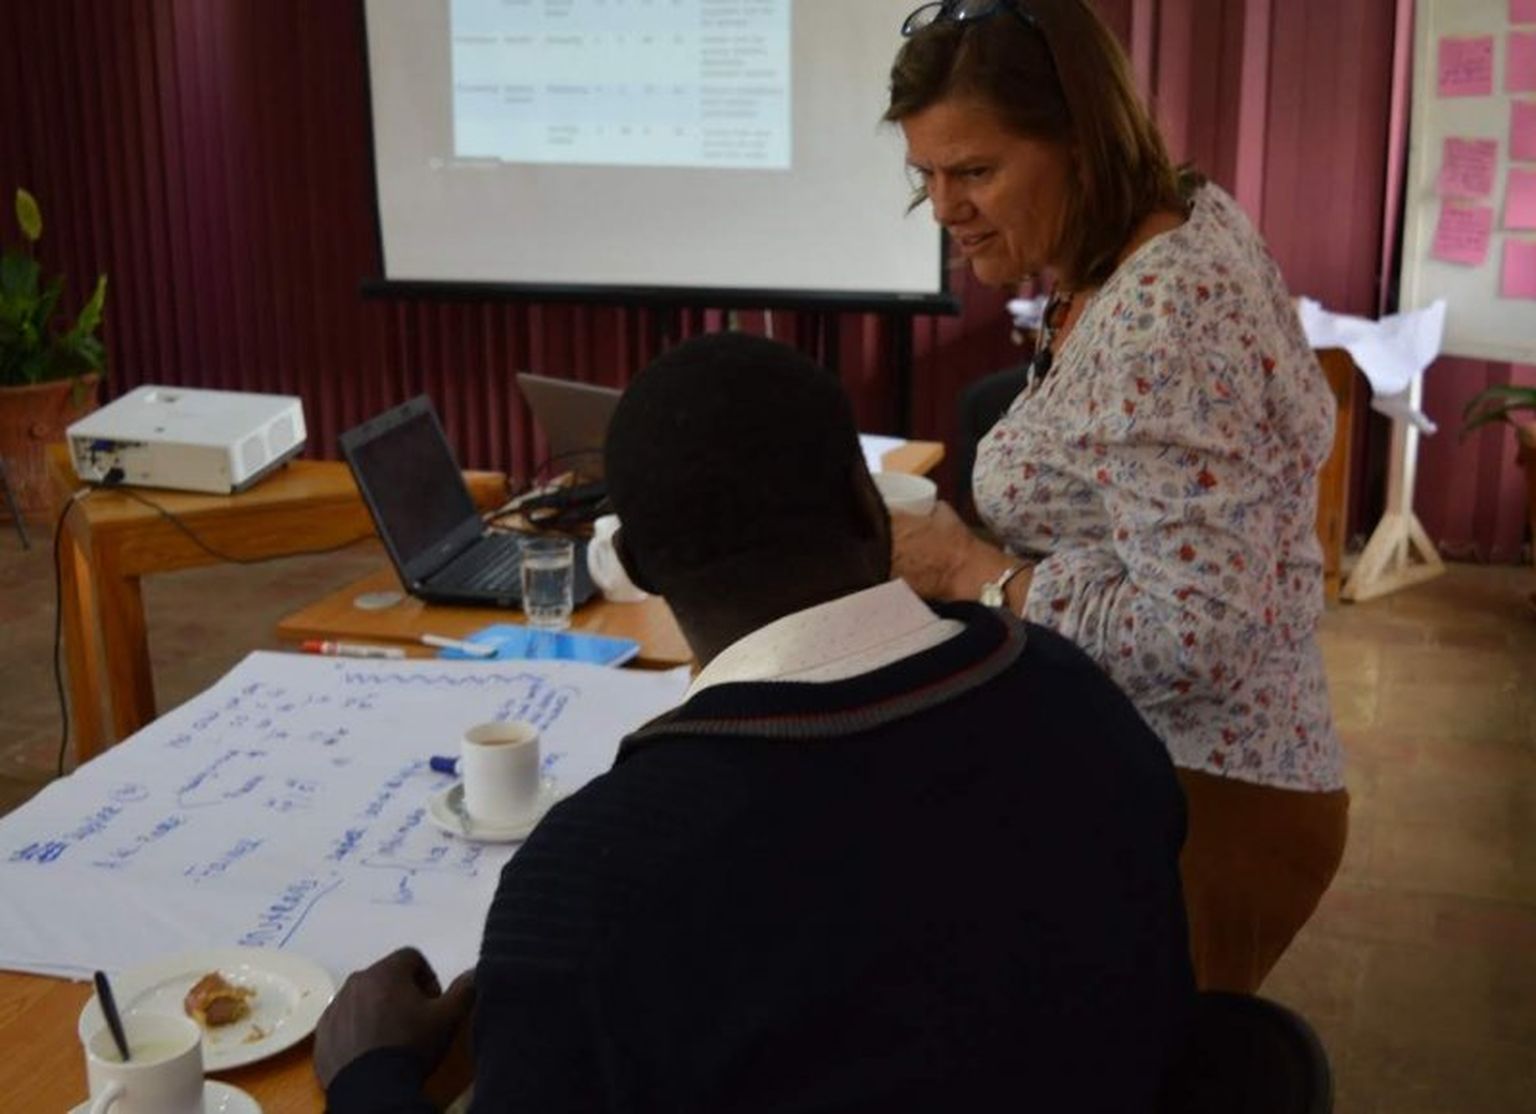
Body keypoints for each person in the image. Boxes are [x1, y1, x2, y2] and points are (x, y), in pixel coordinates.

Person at [315, 332, 1194, 1112]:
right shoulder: (1072, 693)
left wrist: (370, 1075)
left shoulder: (596, 881)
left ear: (636, 566)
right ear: (871, 509)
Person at [885, 0, 1348, 992]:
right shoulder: (1163, 221)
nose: (945, 207)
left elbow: (1197, 631)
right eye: (924, 174)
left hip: (1212, 793)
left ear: (1081, 141)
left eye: (974, 170)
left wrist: (977, 570)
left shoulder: (1160, 317)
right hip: (1170, 766)